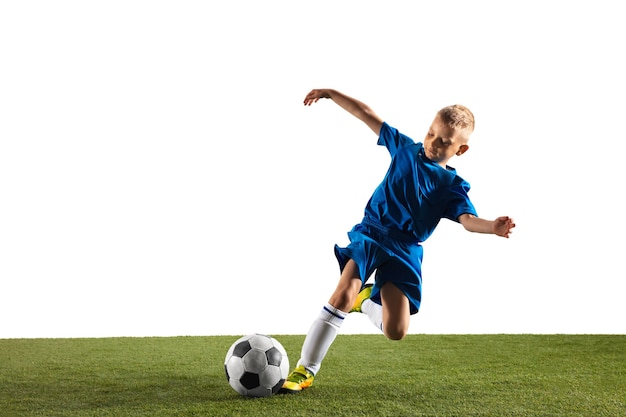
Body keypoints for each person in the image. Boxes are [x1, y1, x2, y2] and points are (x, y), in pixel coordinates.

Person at [280, 89, 515, 393]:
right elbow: (366, 114)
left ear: (461, 149)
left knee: (396, 330)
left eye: (444, 141)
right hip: (373, 233)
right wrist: (330, 94)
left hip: (406, 251)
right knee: (341, 294)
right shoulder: (404, 149)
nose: (433, 142)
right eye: (431, 133)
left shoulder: (452, 188)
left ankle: (365, 302)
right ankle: (305, 371)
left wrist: (492, 227)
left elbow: (468, 221)